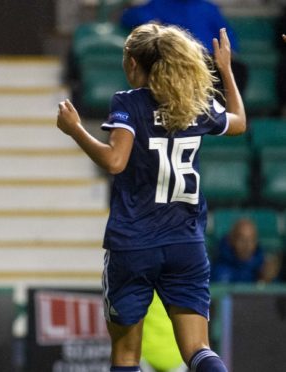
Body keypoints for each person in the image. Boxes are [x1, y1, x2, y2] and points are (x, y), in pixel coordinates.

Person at [56, 24, 246, 372]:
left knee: (127, 355)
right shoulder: (193, 104)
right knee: (199, 350)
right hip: (185, 243)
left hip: (134, 243)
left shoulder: (129, 103)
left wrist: (75, 130)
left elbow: (115, 161)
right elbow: (239, 123)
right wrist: (226, 70)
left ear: (132, 62)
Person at [120, 0, 248, 96]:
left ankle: (222, 116)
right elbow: (129, 16)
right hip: (177, 60)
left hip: (208, 60)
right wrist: (150, 21)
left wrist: (228, 52)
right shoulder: (159, 4)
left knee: (237, 68)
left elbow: (227, 37)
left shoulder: (207, 8)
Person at [211, 218, 281, 284]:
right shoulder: (220, 270)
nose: (247, 245)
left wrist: (267, 281)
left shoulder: (263, 266)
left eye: (251, 239)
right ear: (232, 240)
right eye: (242, 239)